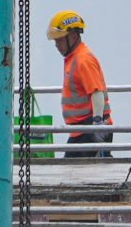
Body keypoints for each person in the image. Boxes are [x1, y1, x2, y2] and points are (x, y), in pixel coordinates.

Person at [48, 12, 114, 159]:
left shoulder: (83, 60)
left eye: (59, 40)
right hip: (81, 131)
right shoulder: (74, 59)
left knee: (78, 175)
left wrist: (97, 124)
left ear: (72, 36)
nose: (56, 45)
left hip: (91, 130)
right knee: (74, 173)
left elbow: (96, 92)